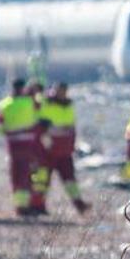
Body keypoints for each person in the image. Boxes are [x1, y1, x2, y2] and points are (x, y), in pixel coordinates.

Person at [37, 81, 89, 214]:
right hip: (48, 150)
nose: (61, 93)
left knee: (70, 179)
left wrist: (72, 145)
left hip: (65, 150)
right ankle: (38, 205)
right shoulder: (46, 103)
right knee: (43, 179)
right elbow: (40, 126)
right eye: (59, 90)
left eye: (63, 91)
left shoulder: (68, 105)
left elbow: (71, 127)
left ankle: (79, 204)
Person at [0, 78, 46, 217]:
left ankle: (20, 207)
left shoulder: (4, 104)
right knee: (30, 173)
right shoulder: (30, 102)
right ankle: (32, 205)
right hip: (29, 144)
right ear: (23, 88)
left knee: (16, 175)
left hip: (13, 145)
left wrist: (11, 130)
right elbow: (40, 113)